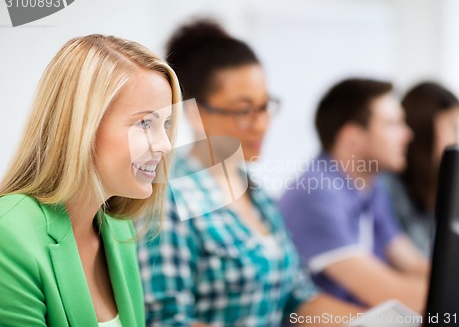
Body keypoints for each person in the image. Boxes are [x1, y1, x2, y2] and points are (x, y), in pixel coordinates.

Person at [137, 20, 360, 327]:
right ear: (195, 113)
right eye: (244, 111)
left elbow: (298, 298)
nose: (261, 123)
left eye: (264, 106)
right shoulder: (169, 198)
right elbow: (167, 320)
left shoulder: (256, 193)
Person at [0, 34, 181, 326]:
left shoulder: (119, 231)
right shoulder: (8, 234)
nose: (164, 145)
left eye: (167, 124)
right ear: (81, 126)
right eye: (145, 123)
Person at [279, 78, 429, 312]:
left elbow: (409, 261)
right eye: (392, 124)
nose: (407, 134)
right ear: (352, 137)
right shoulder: (316, 194)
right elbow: (391, 293)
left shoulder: (372, 186)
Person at [384, 82, 459, 257]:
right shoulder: (386, 186)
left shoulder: (435, 185)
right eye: (453, 127)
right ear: (425, 128)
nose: (456, 139)